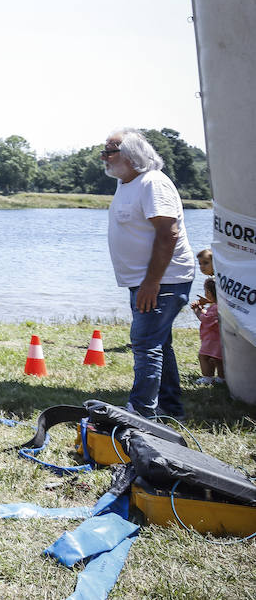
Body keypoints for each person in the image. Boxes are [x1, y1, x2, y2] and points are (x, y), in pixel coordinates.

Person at [103, 129, 196, 419]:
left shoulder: (153, 183)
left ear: (132, 154)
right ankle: (170, 409)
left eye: (110, 150)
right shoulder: (126, 182)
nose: (103, 157)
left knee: (145, 345)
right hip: (146, 282)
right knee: (158, 344)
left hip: (162, 281)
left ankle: (142, 412)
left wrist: (151, 282)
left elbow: (167, 234)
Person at [193, 277, 225, 385]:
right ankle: (222, 378)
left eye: (206, 291)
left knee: (204, 356)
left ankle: (207, 377)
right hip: (220, 338)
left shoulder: (215, 307)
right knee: (218, 359)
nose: (205, 293)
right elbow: (209, 315)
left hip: (212, 340)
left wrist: (197, 310)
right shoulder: (221, 306)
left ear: (211, 293)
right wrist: (203, 308)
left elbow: (205, 319)